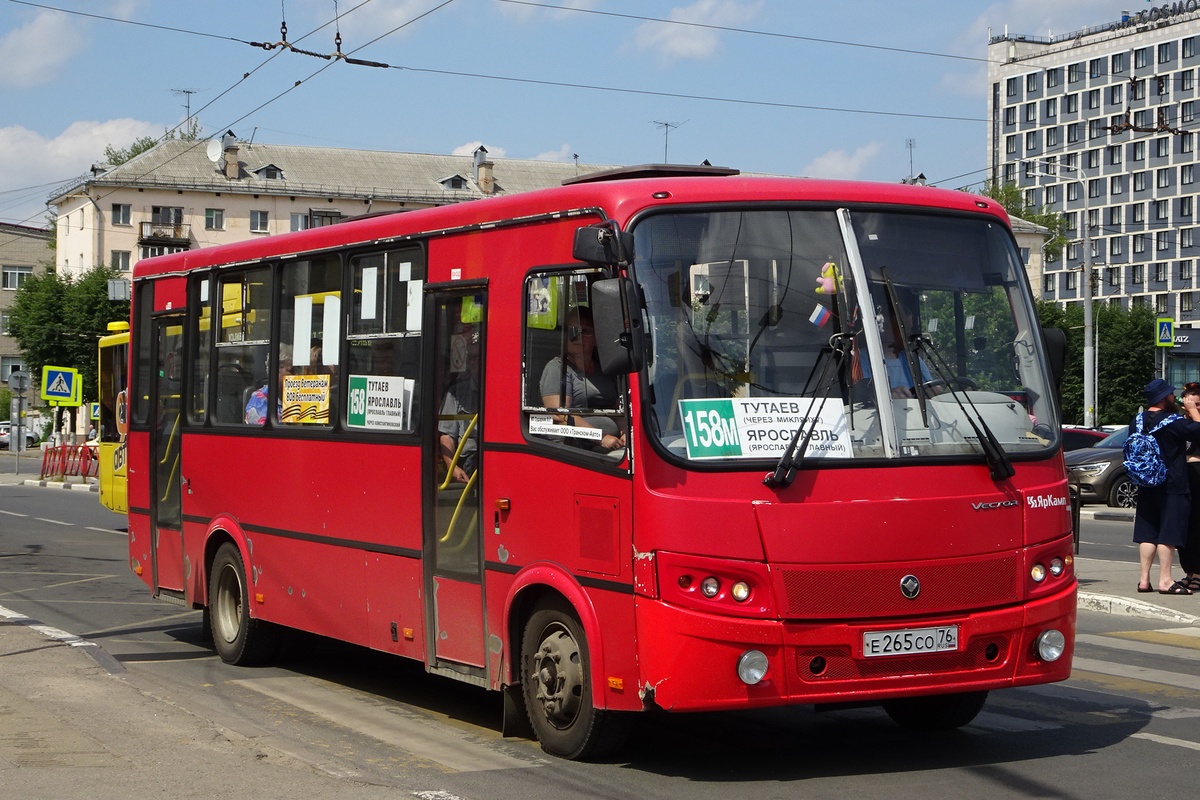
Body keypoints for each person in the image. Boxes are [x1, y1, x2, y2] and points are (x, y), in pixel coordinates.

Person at [1132, 378, 1200, 595]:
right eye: (1171, 394)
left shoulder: (1137, 420)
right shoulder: (1172, 421)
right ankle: (1165, 581)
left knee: (1147, 533)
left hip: (1145, 482)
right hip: (1172, 484)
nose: (1174, 398)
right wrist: (1191, 409)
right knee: (1168, 534)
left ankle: (1144, 580)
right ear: (1164, 398)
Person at [539, 307, 625, 452]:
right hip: (574, 448)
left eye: (586, 331)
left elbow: (617, 408)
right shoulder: (557, 368)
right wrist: (599, 437)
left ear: (597, 339)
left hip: (609, 444)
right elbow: (561, 415)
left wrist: (625, 431)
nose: (578, 336)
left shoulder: (604, 370)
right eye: (573, 330)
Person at [439, 333, 480, 484]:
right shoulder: (456, 393)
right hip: (468, 461)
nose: (478, 363)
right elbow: (447, 435)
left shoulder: (502, 391)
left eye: (482, 357)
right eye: (474, 358)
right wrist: (453, 468)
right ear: (468, 362)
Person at [1181, 382, 1200, 592]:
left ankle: (1199, 572)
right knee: (1184, 528)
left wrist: (1195, 413)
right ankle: (1189, 571)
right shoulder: (1181, 423)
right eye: (1191, 403)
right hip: (1183, 478)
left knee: (1197, 526)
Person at [245, 345, 292, 426]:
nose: (292, 375)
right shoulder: (259, 400)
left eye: (293, 370)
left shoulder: (298, 396)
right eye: (283, 368)